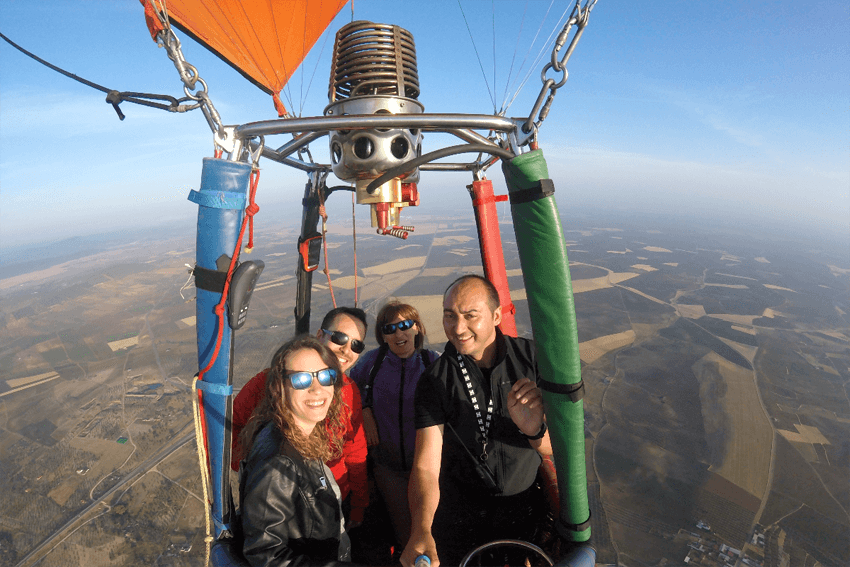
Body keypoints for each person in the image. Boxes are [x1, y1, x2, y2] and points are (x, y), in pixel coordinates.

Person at [400, 275, 553, 567]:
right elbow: (426, 466)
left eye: (470, 316)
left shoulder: (531, 359)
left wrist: (534, 429)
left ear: (496, 316)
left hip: (524, 509)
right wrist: (421, 527)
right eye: (449, 316)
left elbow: (552, 448)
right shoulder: (435, 380)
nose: (457, 328)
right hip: (461, 514)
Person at [232, 307, 369, 527]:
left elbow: (355, 450)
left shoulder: (349, 391)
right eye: (339, 337)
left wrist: (359, 507)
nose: (346, 349)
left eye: (356, 344)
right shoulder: (271, 381)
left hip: (333, 500)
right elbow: (233, 426)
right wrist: (257, 469)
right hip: (283, 504)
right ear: (319, 335)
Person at [239, 335, 352, 566]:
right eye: (301, 380)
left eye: (326, 376)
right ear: (279, 387)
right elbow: (266, 556)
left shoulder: (297, 435)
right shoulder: (278, 463)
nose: (317, 388)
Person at [349, 301, 439, 551]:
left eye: (405, 325)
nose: (399, 334)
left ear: (417, 328)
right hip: (388, 467)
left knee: (431, 530)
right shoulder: (372, 362)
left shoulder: (432, 363)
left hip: (427, 469)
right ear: (383, 336)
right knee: (404, 534)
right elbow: (348, 387)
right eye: (390, 329)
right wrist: (365, 409)